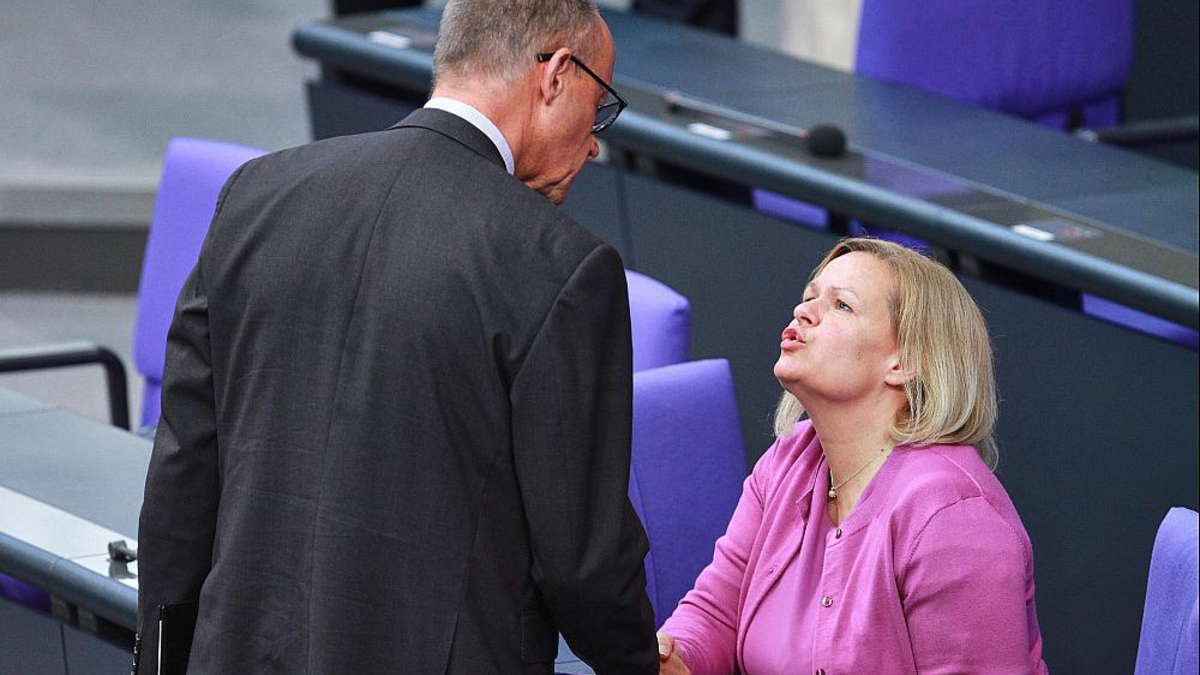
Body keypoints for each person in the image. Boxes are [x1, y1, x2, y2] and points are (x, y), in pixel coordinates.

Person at [134, 1, 658, 673]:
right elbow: (581, 559)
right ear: (556, 76)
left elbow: (183, 475)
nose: (594, 142)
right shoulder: (558, 267)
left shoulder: (258, 195)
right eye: (601, 107)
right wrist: (640, 662)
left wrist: (162, 659)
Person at [656, 238, 1049, 675]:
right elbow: (716, 614)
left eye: (842, 305)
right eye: (809, 298)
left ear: (905, 361)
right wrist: (672, 656)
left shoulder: (952, 515)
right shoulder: (788, 462)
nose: (803, 312)